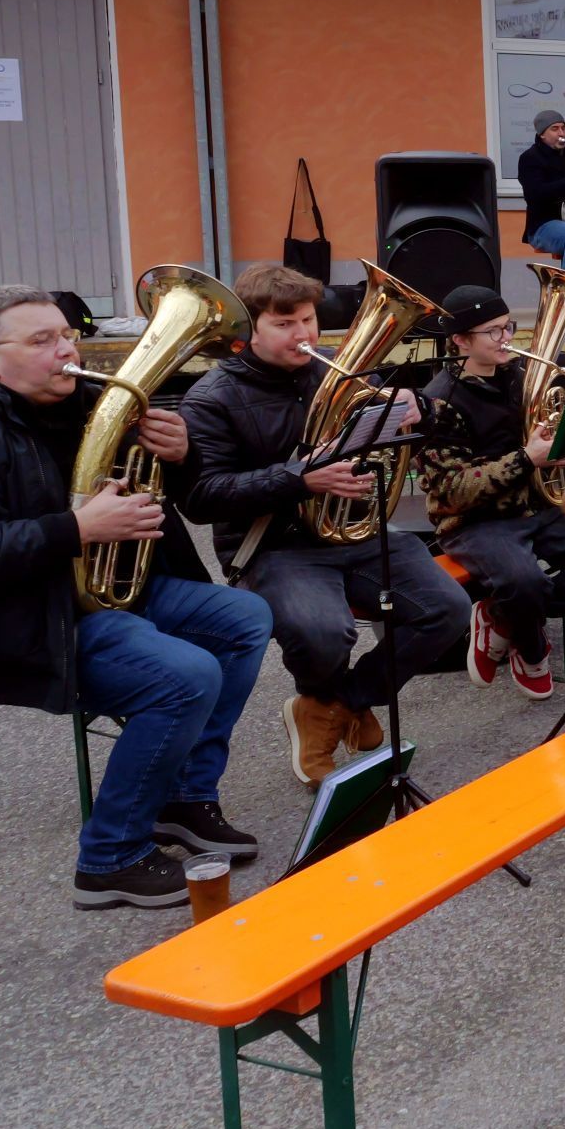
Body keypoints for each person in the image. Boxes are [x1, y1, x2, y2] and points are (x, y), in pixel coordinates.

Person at [0, 285, 271, 910]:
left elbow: (186, 501)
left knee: (245, 618)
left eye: (66, 335)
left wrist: (182, 456)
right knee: (186, 674)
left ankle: (185, 797)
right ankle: (111, 855)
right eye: (41, 341)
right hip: (35, 620)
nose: (66, 351)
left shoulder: (99, 404)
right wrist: (77, 529)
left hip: (115, 593)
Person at [178, 263, 471, 786]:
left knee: (447, 610)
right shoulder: (211, 398)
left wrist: (418, 409)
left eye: (309, 320)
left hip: (356, 530)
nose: (304, 335)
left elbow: (448, 430)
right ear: (251, 329)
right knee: (323, 631)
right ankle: (332, 705)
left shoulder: (341, 372)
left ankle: (333, 706)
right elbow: (201, 499)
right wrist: (302, 479)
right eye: (285, 324)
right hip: (274, 544)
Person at [416, 285, 565, 702]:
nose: (506, 337)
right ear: (459, 340)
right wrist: (528, 458)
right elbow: (452, 491)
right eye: (492, 332)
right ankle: (531, 647)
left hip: (534, 506)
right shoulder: (438, 401)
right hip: (475, 520)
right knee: (525, 581)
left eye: (507, 326)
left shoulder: (518, 376)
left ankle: (501, 618)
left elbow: (540, 442)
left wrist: (559, 446)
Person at [518, 108, 565, 275]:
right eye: (555, 128)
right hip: (543, 226)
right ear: (542, 134)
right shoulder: (530, 158)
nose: (562, 133)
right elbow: (536, 195)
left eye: (563, 127)